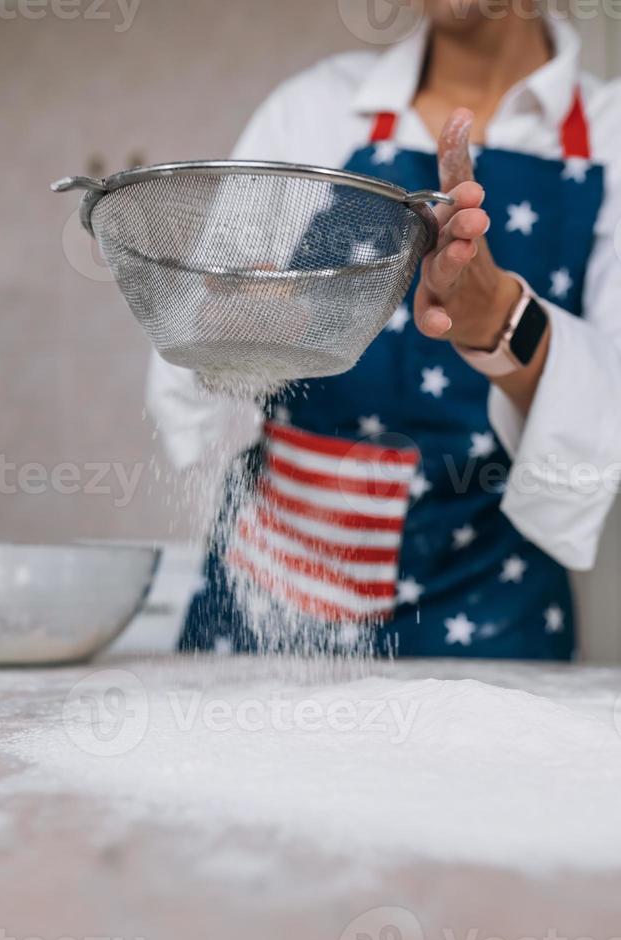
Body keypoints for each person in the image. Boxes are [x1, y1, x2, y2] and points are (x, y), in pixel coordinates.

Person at [147, 6, 621, 659]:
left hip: (487, 607)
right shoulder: (315, 108)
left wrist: (497, 321)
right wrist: (248, 326)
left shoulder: (610, 134)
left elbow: (610, 399)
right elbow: (192, 352)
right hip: (269, 593)